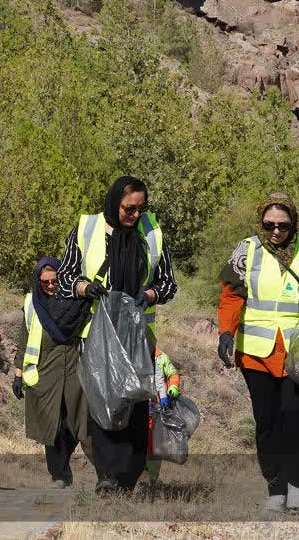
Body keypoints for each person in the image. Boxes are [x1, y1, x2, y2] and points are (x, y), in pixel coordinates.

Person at [55, 175, 178, 494]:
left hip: (137, 336)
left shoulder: (152, 232)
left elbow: (168, 283)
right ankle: (107, 476)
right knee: (101, 405)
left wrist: (149, 295)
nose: (134, 215)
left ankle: (128, 477)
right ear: (114, 203)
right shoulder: (87, 228)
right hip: (97, 334)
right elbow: (65, 277)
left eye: (140, 208)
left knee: (135, 407)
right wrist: (85, 287)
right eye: (128, 208)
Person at [217, 192, 299, 512]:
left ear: (293, 223)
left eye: (283, 225)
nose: (276, 231)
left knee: (295, 415)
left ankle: (297, 485)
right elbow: (230, 295)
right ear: (261, 221)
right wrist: (226, 332)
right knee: (267, 420)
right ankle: (275, 488)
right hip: (256, 351)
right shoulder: (246, 250)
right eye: (269, 224)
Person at [13, 257, 91, 488]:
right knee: (51, 426)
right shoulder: (32, 303)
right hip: (45, 373)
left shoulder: (76, 300)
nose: (50, 285)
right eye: (44, 282)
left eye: (54, 281)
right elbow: (24, 339)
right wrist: (18, 374)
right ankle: (59, 475)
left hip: (75, 369)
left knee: (74, 424)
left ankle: (63, 467)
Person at [145, 347, 182, 486]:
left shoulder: (161, 357)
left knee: (156, 447)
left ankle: (152, 479)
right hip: (139, 408)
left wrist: (173, 388)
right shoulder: (131, 353)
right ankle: (141, 475)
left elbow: (173, 374)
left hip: (158, 408)